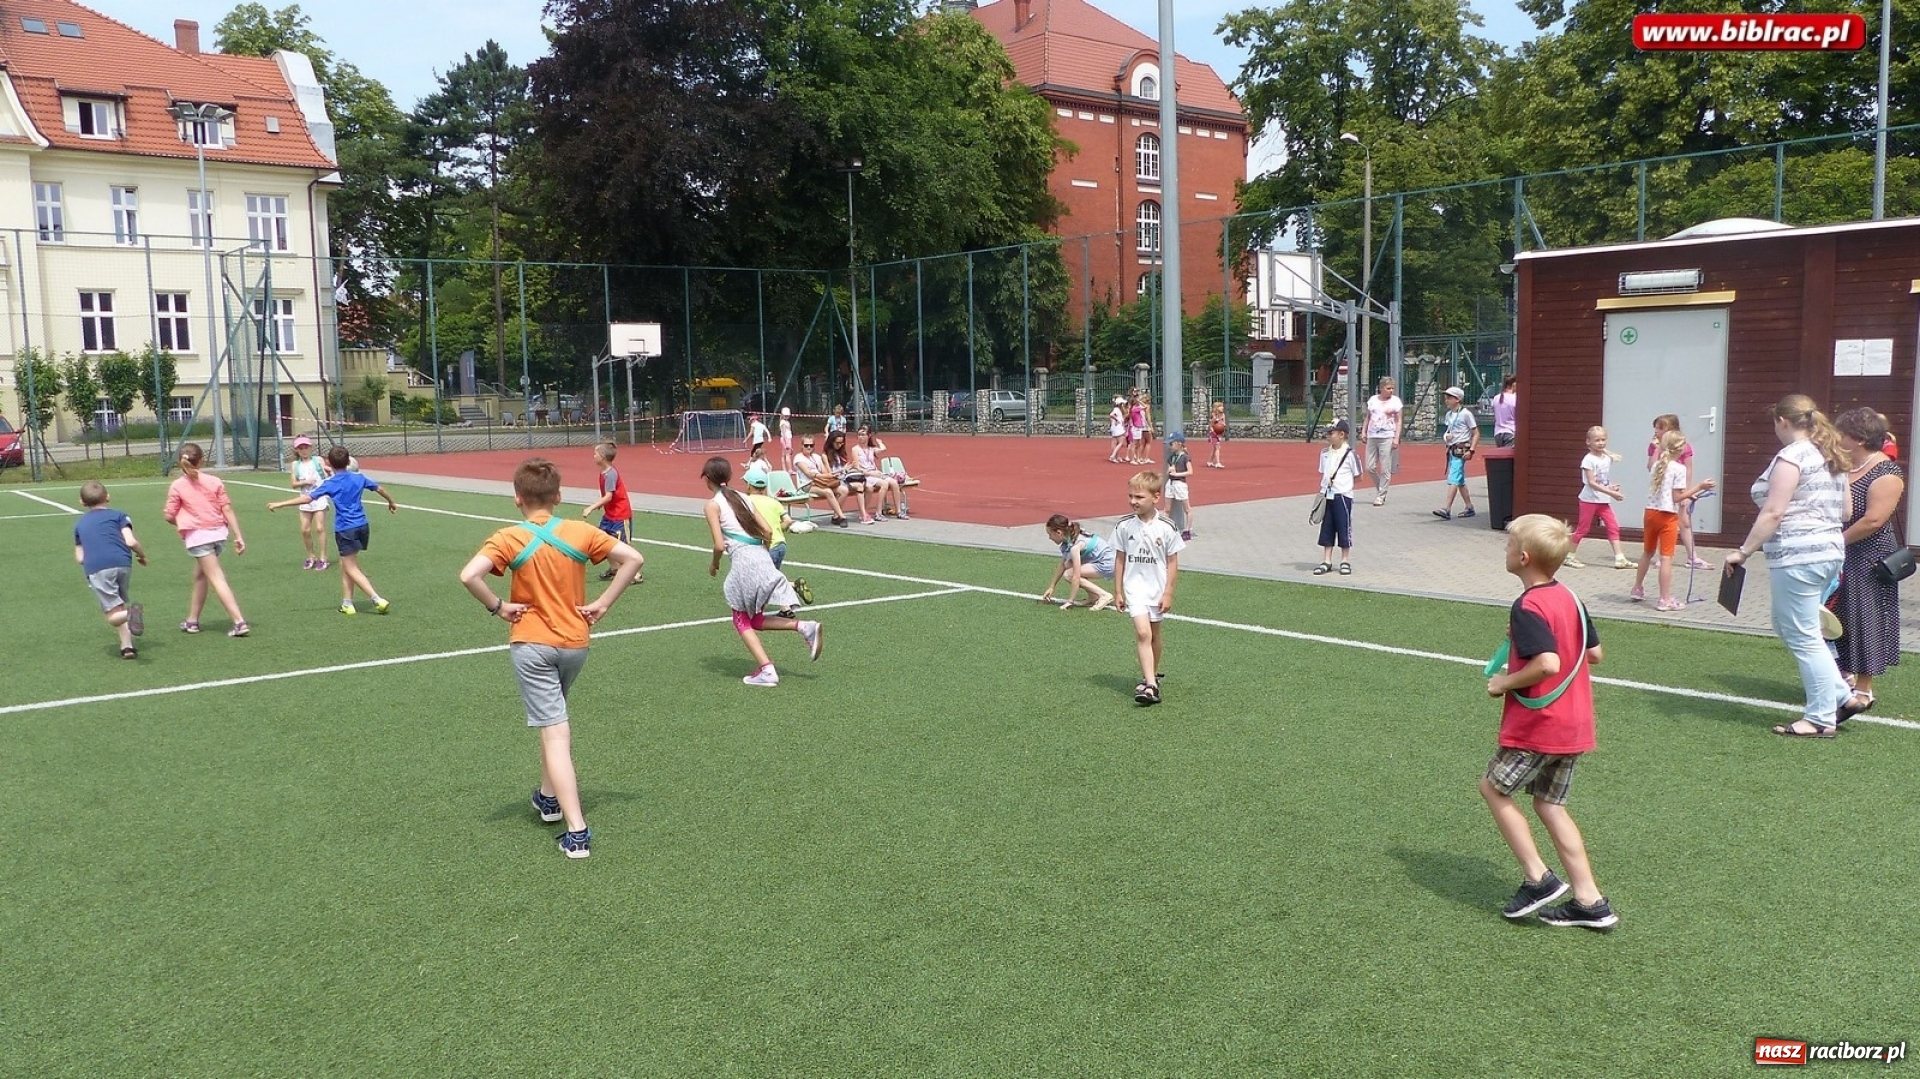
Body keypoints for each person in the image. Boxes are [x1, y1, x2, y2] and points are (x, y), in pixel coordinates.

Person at [459, 457, 644, 859]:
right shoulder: (579, 532)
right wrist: (604, 604)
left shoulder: (508, 537)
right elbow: (633, 559)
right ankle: (548, 798)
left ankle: (577, 831)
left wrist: (498, 606)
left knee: (556, 733)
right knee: (552, 720)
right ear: (558, 496)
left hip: (532, 644)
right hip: (575, 644)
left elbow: (469, 575)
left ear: (518, 499)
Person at [1480, 513, 1617, 930]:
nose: (1504, 551)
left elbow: (1548, 663)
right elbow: (1593, 654)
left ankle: (1537, 878)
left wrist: (1504, 683)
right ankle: (1589, 900)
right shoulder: (1571, 598)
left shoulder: (1528, 604)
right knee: (1550, 804)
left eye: (1507, 546)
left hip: (1540, 725)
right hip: (1574, 725)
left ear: (1523, 558)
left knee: (1493, 788)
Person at [1724, 395, 1862, 737]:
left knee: (1802, 635)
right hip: (1828, 551)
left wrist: (1743, 552)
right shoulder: (1831, 455)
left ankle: (1819, 717)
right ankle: (1843, 697)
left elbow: (1773, 511)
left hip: (1798, 554)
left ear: (1783, 421)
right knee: (1790, 625)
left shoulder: (1792, 456)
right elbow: (1845, 512)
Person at [702, 456, 822, 686]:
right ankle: (804, 626)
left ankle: (767, 669)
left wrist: (714, 564)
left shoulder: (712, 505)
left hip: (744, 562)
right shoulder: (744, 497)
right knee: (755, 619)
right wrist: (763, 556)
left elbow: (719, 545)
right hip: (762, 556)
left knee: (740, 620)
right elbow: (767, 530)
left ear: (707, 479)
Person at [268, 446, 399, 615]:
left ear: (329, 463)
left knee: (351, 567)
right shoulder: (359, 477)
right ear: (348, 462)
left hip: (346, 528)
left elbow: (308, 498)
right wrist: (391, 502)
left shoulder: (330, 483)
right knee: (346, 563)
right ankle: (347, 603)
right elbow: (379, 489)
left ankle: (376, 599)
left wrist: (280, 504)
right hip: (362, 526)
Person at [1832, 407, 1903, 716]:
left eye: (1842, 435)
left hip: (1869, 557)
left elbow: (1873, 520)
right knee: (1840, 617)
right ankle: (1842, 677)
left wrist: (1836, 541)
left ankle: (1864, 688)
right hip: (1843, 553)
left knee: (1866, 617)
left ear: (1859, 439)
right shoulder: (1848, 465)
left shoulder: (1886, 472)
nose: (1837, 439)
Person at [163, 442, 250, 637]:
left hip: (199, 537)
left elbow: (169, 515)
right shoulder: (214, 481)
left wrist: (183, 523)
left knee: (216, 578)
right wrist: (238, 535)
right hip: (218, 535)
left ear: (180, 462)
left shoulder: (177, 485)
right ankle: (192, 620)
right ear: (202, 461)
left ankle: (239, 621)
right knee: (200, 575)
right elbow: (226, 508)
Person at [1113, 470, 1184, 706]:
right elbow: (1120, 559)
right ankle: (1151, 685)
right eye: (1130, 496)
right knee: (1142, 633)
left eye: (1139, 497)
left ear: (1156, 497)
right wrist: (1118, 591)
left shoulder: (1166, 526)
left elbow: (1173, 562)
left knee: (1154, 634)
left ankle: (1151, 674)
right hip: (1134, 588)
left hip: (1157, 588)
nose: (1133, 501)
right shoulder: (1123, 526)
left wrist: (1168, 592)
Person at [1628, 432, 1715, 611]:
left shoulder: (1657, 466)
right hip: (1667, 516)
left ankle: (1637, 588)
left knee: (1647, 552)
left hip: (1650, 512)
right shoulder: (1679, 468)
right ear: (1681, 448)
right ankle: (1664, 599)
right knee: (1666, 557)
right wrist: (1699, 487)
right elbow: (1677, 497)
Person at [74, 480, 148, 659]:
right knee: (118, 604)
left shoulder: (80, 524)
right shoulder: (120, 516)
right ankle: (127, 646)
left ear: (82, 502)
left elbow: (80, 557)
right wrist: (141, 555)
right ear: (108, 497)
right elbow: (130, 541)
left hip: (98, 569)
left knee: (112, 616)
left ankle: (131, 613)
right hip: (123, 564)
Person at [744, 463, 812, 616]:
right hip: (780, 543)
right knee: (772, 576)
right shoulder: (773, 501)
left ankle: (793, 586)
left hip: (765, 546)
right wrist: (777, 529)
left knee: (763, 579)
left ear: (749, 485)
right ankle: (786, 609)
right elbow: (788, 521)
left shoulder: (747, 502)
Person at [1647, 414, 1713, 570]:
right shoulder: (1654, 446)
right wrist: (1656, 449)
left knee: (1684, 522)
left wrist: (1687, 492)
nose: (1656, 431)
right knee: (1662, 524)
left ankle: (1692, 557)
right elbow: (1651, 467)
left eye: (1660, 428)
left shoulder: (1684, 447)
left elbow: (1688, 469)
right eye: (1655, 427)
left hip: (1679, 490)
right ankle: (1661, 555)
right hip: (1662, 495)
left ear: (1672, 430)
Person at [1565, 426, 1636, 570]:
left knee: (1613, 526)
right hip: (1589, 500)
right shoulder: (1588, 460)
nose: (1601, 443)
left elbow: (1602, 480)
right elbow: (1592, 483)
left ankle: (1620, 558)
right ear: (1588, 442)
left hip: (1603, 500)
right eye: (1597, 440)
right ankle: (1569, 556)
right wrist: (1612, 494)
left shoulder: (1606, 458)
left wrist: (1610, 487)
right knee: (1583, 529)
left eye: (1603, 439)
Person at [580, 441, 635, 582]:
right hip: (610, 515)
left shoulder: (610, 474)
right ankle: (615, 568)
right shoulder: (604, 473)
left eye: (595, 453)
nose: (593, 456)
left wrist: (591, 507)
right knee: (604, 541)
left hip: (619, 516)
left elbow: (609, 496)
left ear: (602, 457)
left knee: (620, 546)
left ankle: (634, 574)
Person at [1313, 419, 1361, 575]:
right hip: (1328, 495)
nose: (1328, 436)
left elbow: (1358, 476)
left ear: (1342, 434)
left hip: (1343, 495)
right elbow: (1323, 472)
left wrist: (1344, 486)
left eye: (1331, 433)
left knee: (1343, 526)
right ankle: (1327, 560)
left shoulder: (1350, 454)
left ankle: (1345, 560)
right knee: (1327, 527)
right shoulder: (1325, 453)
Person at [1040, 513, 1115, 611]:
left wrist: (1070, 601)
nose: (1049, 538)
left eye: (1050, 534)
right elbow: (1062, 564)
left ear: (1059, 533)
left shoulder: (1075, 547)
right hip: (1104, 561)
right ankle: (1093, 597)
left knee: (1069, 575)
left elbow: (1076, 576)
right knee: (1068, 564)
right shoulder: (1069, 539)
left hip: (1108, 564)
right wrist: (1051, 587)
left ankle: (1104, 595)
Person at [1433, 387, 1479, 520]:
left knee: (1453, 478)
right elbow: (1448, 432)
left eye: (1449, 397)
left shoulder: (1466, 414)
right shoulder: (1448, 415)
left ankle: (1446, 509)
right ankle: (1469, 507)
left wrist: (1471, 450)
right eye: (1446, 397)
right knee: (1459, 480)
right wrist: (1446, 437)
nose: (1446, 400)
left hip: (1461, 451)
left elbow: (1475, 433)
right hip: (1452, 450)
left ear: (1457, 399)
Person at [288, 435, 331, 570]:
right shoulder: (296, 465)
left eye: (306, 447)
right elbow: (293, 484)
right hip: (305, 499)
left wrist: (330, 472)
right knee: (305, 530)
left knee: (319, 528)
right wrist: (305, 482)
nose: (304, 450)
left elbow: (327, 472)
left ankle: (323, 558)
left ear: (310, 447)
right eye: (300, 448)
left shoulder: (318, 460)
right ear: (297, 450)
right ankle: (311, 556)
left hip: (319, 497)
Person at [1363, 376, 1404, 506]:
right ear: (1381, 388)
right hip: (1372, 435)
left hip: (1387, 436)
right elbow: (1368, 417)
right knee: (1370, 467)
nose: (1391, 390)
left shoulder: (1395, 402)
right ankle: (1381, 488)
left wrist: (1396, 437)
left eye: (1392, 388)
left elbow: (1398, 420)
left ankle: (1381, 495)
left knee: (1385, 467)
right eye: (1388, 388)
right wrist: (1364, 431)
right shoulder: (1373, 400)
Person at [793, 435, 850, 527]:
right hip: (807, 485)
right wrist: (826, 475)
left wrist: (832, 473)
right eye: (806, 445)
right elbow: (808, 474)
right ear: (801, 445)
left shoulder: (816, 457)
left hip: (820, 482)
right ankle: (842, 516)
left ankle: (836, 516)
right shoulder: (798, 458)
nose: (809, 447)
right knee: (828, 491)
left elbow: (824, 472)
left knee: (844, 490)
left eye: (811, 445)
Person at [853, 425, 906, 519]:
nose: (860, 437)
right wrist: (871, 473)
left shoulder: (871, 449)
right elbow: (857, 468)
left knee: (894, 482)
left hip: (875, 473)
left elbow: (883, 449)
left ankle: (899, 511)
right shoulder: (855, 449)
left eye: (863, 435)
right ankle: (878, 512)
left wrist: (880, 442)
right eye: (859, 435)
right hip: (866, 475)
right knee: (884, 484)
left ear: (868, 436)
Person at [824, 429, 875, 524]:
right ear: (831, 442)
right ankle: (837, 514)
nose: (840, 445)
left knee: (862, 485)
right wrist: (843, 469)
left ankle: (863, 514)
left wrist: (849, 468)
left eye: (842, 443)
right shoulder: (825, 455)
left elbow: (844, 470)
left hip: (843, 478)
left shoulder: (840, 453)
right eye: (838, 443)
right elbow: (829, 474)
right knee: (845, 490)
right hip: (834, 481)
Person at [1164, 431, 1194, 541]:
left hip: (1180, 483)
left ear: (1178, 444)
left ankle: (1188, 530)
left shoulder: (1185, 457)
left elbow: (1190, 472)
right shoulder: (1171, 457)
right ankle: (1164, 529)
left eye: (1171, 444)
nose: (1169, 447)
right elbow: (1170, 468)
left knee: (1187, 508)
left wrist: (1177, 474)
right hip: (1171, 483)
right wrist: (1170, 471)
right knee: (1167, 509)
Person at [1491, 373, 1518, 447]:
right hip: (1511, 432)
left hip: (1498, 434)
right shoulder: (1515, 398)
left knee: (1501, 456)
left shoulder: (1496, 398)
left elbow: (1495, 416)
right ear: (1513, 384)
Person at [1126, 390, 1147, 464]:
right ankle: (1132, 459)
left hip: (1139, 427)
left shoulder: (1135, 408)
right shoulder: (1135, 409)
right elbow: (1145, 406)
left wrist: (1138, 400)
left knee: (1138, 444)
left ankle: (1137, 459)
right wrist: (1139, 401)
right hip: (1135, 428)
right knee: (1134, 444)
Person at [1207, 400, 1228, 468]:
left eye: (1222, 406)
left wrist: (1223, 426)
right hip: (1213, 434)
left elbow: (1224, 424)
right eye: (1220, 406)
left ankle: (1209, 462)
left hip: (1219, 434)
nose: (1222, 407)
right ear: (1216, 408)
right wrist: (1213, 432)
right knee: (1217, 447)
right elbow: (1210, 426)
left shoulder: (1223, 415)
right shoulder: (1214, 417)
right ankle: (1218, 463)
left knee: (1215, 449)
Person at [1107, 395, 1128, 463]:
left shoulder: (1117, 409)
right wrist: (1117, 420)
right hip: (1118, 428)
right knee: (1121, 442)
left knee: (1115, 442)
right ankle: (1113, 456)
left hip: (1115, 427)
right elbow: (1111, 415)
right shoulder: (1117, 409)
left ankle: (1116, 456)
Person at [777, 407, 794, 472]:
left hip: (786, 439)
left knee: (784, 454)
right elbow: (783, 433)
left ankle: (784, 469)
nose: (787, 416)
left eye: (787, 415)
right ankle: (790, 469)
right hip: (786, 439)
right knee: (787, 455)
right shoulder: (783, 422)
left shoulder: (785, 422)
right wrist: (786, 443)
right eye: (785, 415)